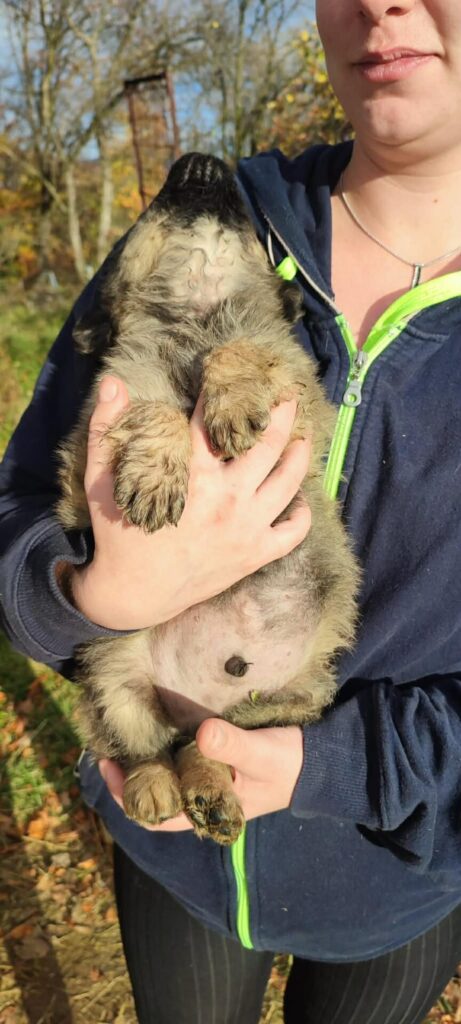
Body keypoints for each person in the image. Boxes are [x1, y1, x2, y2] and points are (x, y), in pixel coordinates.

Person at [2, 0, 461, 1020]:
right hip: (174, 861)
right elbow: (21, 507)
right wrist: (89, 594)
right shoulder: (209, 220)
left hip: (396, 877)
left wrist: (333, 765)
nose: (381, 5)